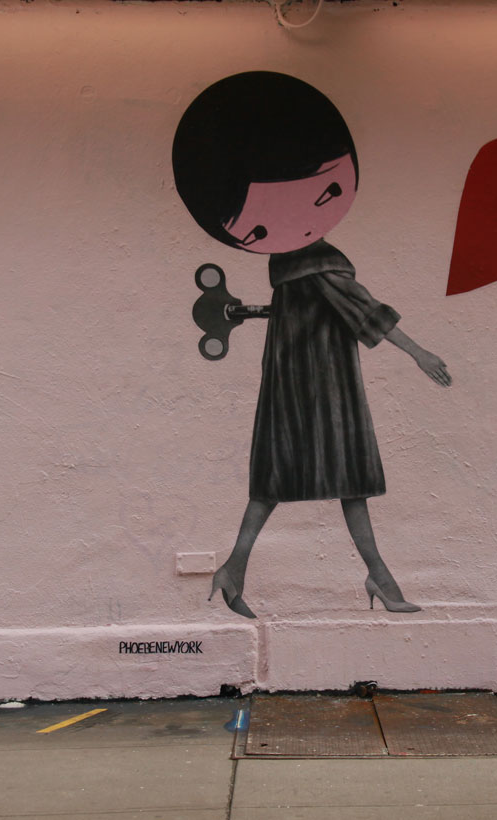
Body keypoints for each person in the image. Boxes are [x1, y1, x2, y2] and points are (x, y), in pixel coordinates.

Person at [173, 71, 451, 618]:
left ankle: (238, 569)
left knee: (274, 486)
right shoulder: (319, 262)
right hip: (326, 392)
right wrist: (420, 353)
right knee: (350, 482)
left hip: (287, 388)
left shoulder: (284, 263)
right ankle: (378, 579)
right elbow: (366, 310)